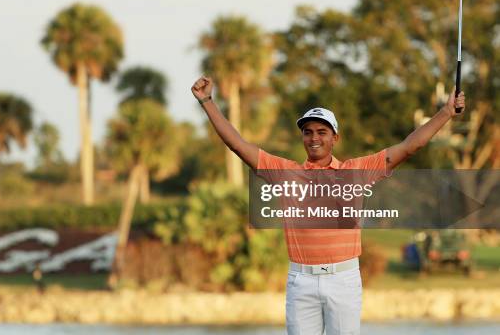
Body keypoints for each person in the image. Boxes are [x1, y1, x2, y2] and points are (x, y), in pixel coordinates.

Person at [191, 76, 465, 335]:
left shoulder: (356, 170)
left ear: (335, 137)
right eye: (308, 132)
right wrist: (207, 102)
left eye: (322, 131)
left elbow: (408, 147)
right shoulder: (284, 171)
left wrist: (445, 113)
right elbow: (237, 145)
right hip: (301, 280)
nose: (314, 138)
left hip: (343, 280)